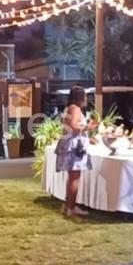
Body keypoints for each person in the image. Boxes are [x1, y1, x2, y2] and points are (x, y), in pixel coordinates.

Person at [55, 86, 94, 218]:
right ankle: (71, 208)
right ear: (80, 97)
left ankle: (67, 205)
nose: (86, 99)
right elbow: (73, 126)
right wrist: (87, 127)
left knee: (71, 178)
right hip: (75, 146)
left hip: (68, 144)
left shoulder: (68, 108)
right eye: (85, 96)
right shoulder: (76, 109)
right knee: (75, 178)